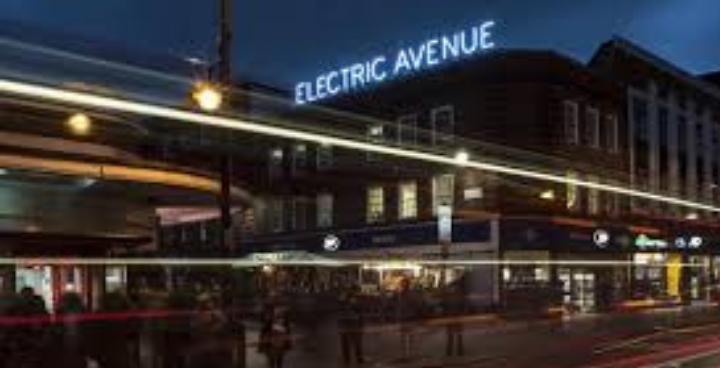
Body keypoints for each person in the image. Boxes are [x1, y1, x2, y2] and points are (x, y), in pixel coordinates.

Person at [338, 294, 365, 366]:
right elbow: (359, 312)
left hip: (349, 323)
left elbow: (359, 312)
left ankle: (352, 359)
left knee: (351, 342)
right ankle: (356, 359)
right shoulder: (348, 299)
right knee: (353, 342)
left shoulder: (346, 299)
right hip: (350, 323)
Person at [443, 287, 464, 357]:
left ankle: (450, 351)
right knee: (457, 335)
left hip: (451, 318)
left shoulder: (447, 298)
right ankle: (459, 351)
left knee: (452, 335)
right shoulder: (459, 298)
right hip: (457, 318)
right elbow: (463, 307)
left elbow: (444, 309)